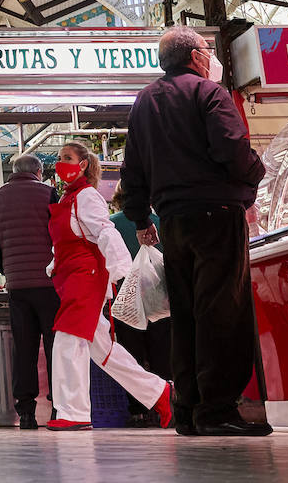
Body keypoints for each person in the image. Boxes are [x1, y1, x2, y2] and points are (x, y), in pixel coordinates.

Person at [122, 25, 269, 437]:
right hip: (215, 213)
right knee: (221, 311)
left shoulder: (144, 101)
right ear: (196, 56)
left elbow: (133, 168)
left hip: (171, 221)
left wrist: (138, 219)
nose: (210, 57)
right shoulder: (208, 93)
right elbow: (231, 147)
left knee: (184, 315)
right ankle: (218, 409)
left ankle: (187, 409)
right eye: (207, 50)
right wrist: (255, 175)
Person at [46, 142, 172, 432]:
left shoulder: (87, 196)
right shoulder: (68, 199)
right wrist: (54, 263)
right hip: (72, 278)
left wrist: (118, 269)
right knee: (103, 350)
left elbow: (105, 231)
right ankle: (158, 392)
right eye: (59, 158)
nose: (60, 163)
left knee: (68, 340)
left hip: (86, 279)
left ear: (83, 165)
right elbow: (71, 238)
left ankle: (74, 412)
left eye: (67, 158)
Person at [0, 152, 60, 430]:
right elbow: (61, 235)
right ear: (39, 171)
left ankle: (26, 413)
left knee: (24, 349)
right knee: (55, 347)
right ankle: (58, 410)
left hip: (18, 287)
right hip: (50, 285)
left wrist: (10, 270)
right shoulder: (50, 194)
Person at [108, 182, 171, 427]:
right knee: (162, 351)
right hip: (158, 295)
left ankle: (138, 410)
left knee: (132, 352)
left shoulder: (111, 223)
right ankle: (166, 402)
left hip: (126, 298)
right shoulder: (159, 221)